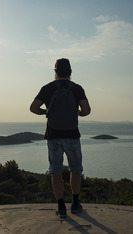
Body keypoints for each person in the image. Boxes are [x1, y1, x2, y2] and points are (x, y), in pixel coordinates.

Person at [30, 58, 91, 218]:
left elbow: (33, 108)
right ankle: (76, 203)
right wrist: (77, 113)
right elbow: (86, 110)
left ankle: (61, 207)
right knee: (75, 169)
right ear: (70, 71)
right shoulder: (77, 89)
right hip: (72, 134)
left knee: (55, 170)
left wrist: (47, 112)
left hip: (53, 135)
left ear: (55, 71)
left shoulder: (48, 88)